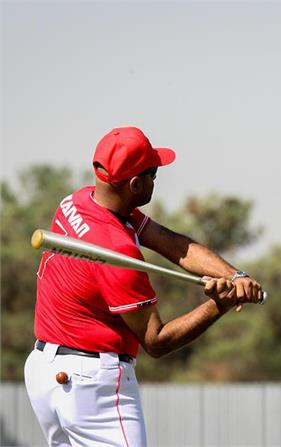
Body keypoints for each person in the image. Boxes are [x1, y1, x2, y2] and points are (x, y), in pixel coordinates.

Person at [24, 126, 264, 447]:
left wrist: (235, 276)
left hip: (45, 372)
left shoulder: (81, 200)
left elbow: (172, 244)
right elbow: (156, 341)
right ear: (135, 184)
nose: (156, 180)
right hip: (93, 388)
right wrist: (217, 305)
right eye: (153, 174)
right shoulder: (118, 251)